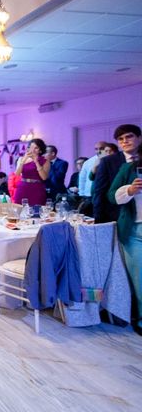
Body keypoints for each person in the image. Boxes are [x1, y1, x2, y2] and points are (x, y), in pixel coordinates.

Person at [108, 142, 142, 335]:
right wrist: (129, 190)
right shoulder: (129, 169)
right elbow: (111, 195)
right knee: (140, 279)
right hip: (135, 229)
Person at [95, 125, 142, 224]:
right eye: (120, 139)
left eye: (129, 136)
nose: (125, 141)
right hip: (119, 216)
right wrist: (99, 220)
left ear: (139, 138)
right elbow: (100, 192)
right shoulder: (108, 161)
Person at [14, 138, 50, 206]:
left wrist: (36, 162)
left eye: (36, 148)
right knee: (20, 210)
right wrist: (23, 162)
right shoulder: (21, 159)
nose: (33, 150)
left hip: (36, 188)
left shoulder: (45, 161)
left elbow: (44, 177)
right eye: (31, 147)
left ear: (40, 150)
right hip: (23, 187)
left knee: (36, 211)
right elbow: (17, 174)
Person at [78, 141, 106, 216]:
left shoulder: (112, 160)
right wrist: (82, 194)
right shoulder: (88, 162)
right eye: (96, 149)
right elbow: (82, 178)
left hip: (104, 195)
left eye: (101, 148)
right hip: (89, 195)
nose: (99, 151)